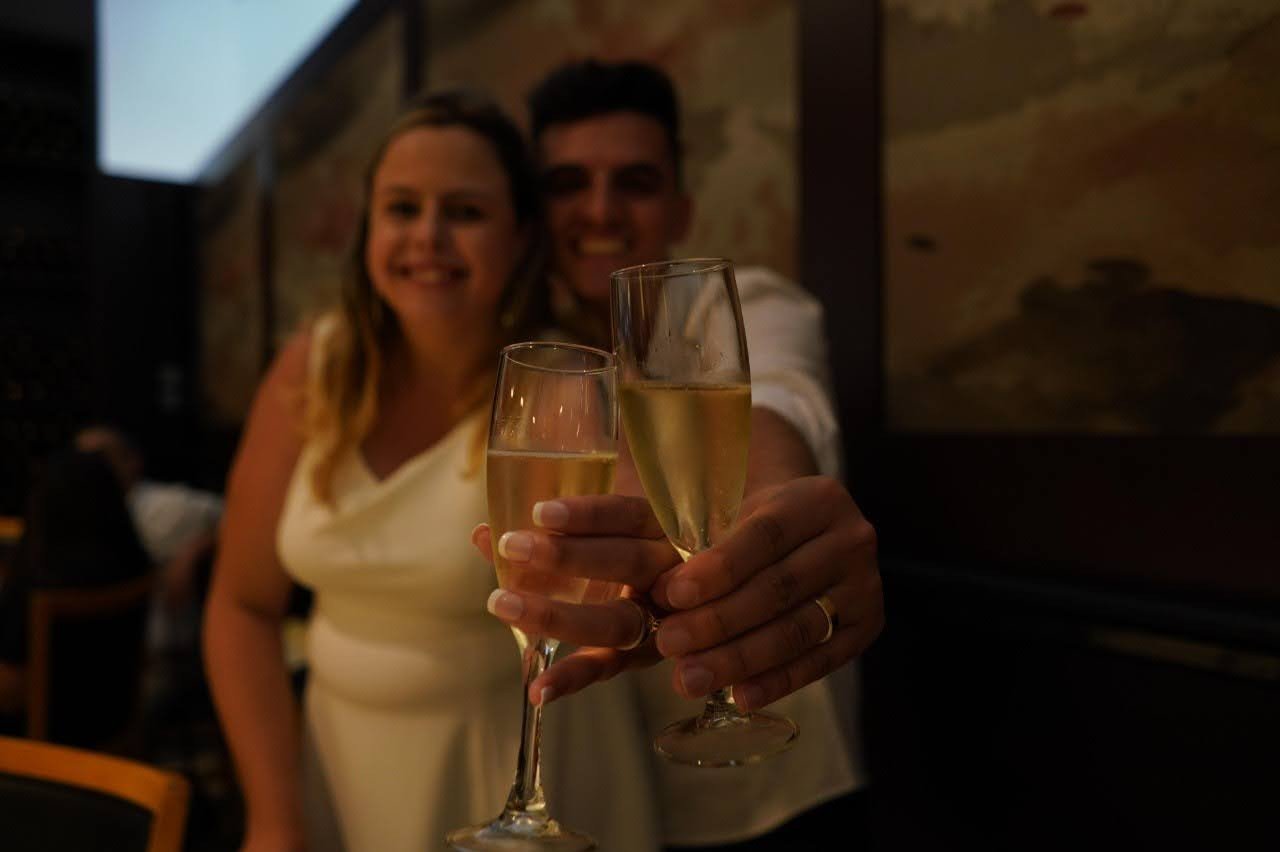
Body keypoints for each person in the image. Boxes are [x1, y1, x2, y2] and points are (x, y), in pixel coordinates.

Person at [202, 89, 662, 852]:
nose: (427, 236)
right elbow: (241, 606)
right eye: (402, 208)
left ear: (520, 236)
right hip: (335, 774)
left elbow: (630, 577)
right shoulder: (312, 367)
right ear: (369, 229)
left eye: (465, 212)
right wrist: (273, 817)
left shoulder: (566, 382)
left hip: (514, 778)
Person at [469, 59, 883, 848]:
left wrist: (764, 512)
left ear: (681, 206)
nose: (601, 210)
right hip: (631, 802)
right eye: (568, 184)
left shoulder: (746, 307)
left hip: (785, 788)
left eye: (635, 182)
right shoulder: (537, 357)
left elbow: (775, 412)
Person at [0, 450, 153, 744]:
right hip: (110, 725)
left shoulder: (39, 585)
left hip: (44, 744)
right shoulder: (133, 567)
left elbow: (10, 691)